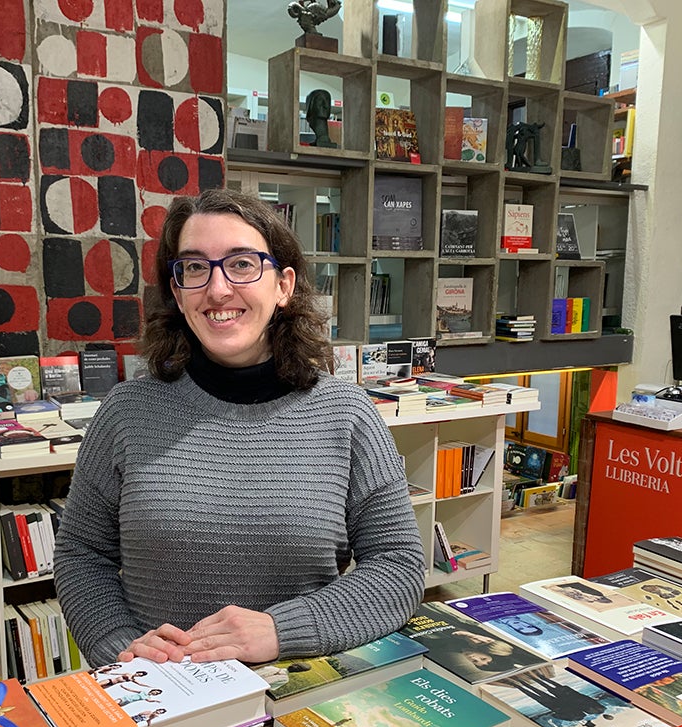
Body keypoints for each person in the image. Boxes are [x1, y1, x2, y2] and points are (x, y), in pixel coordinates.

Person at [53, 189, 425, 667]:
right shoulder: (126, 412)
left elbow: (398, 566)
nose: (218, 290)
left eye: (242, 264)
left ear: (283, 286)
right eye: (194, 267)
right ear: (177, 293)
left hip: (299, 686)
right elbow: (82, 554)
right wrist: (119, 646)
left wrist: (282, 630)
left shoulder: (347, 415)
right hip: (161, 689)